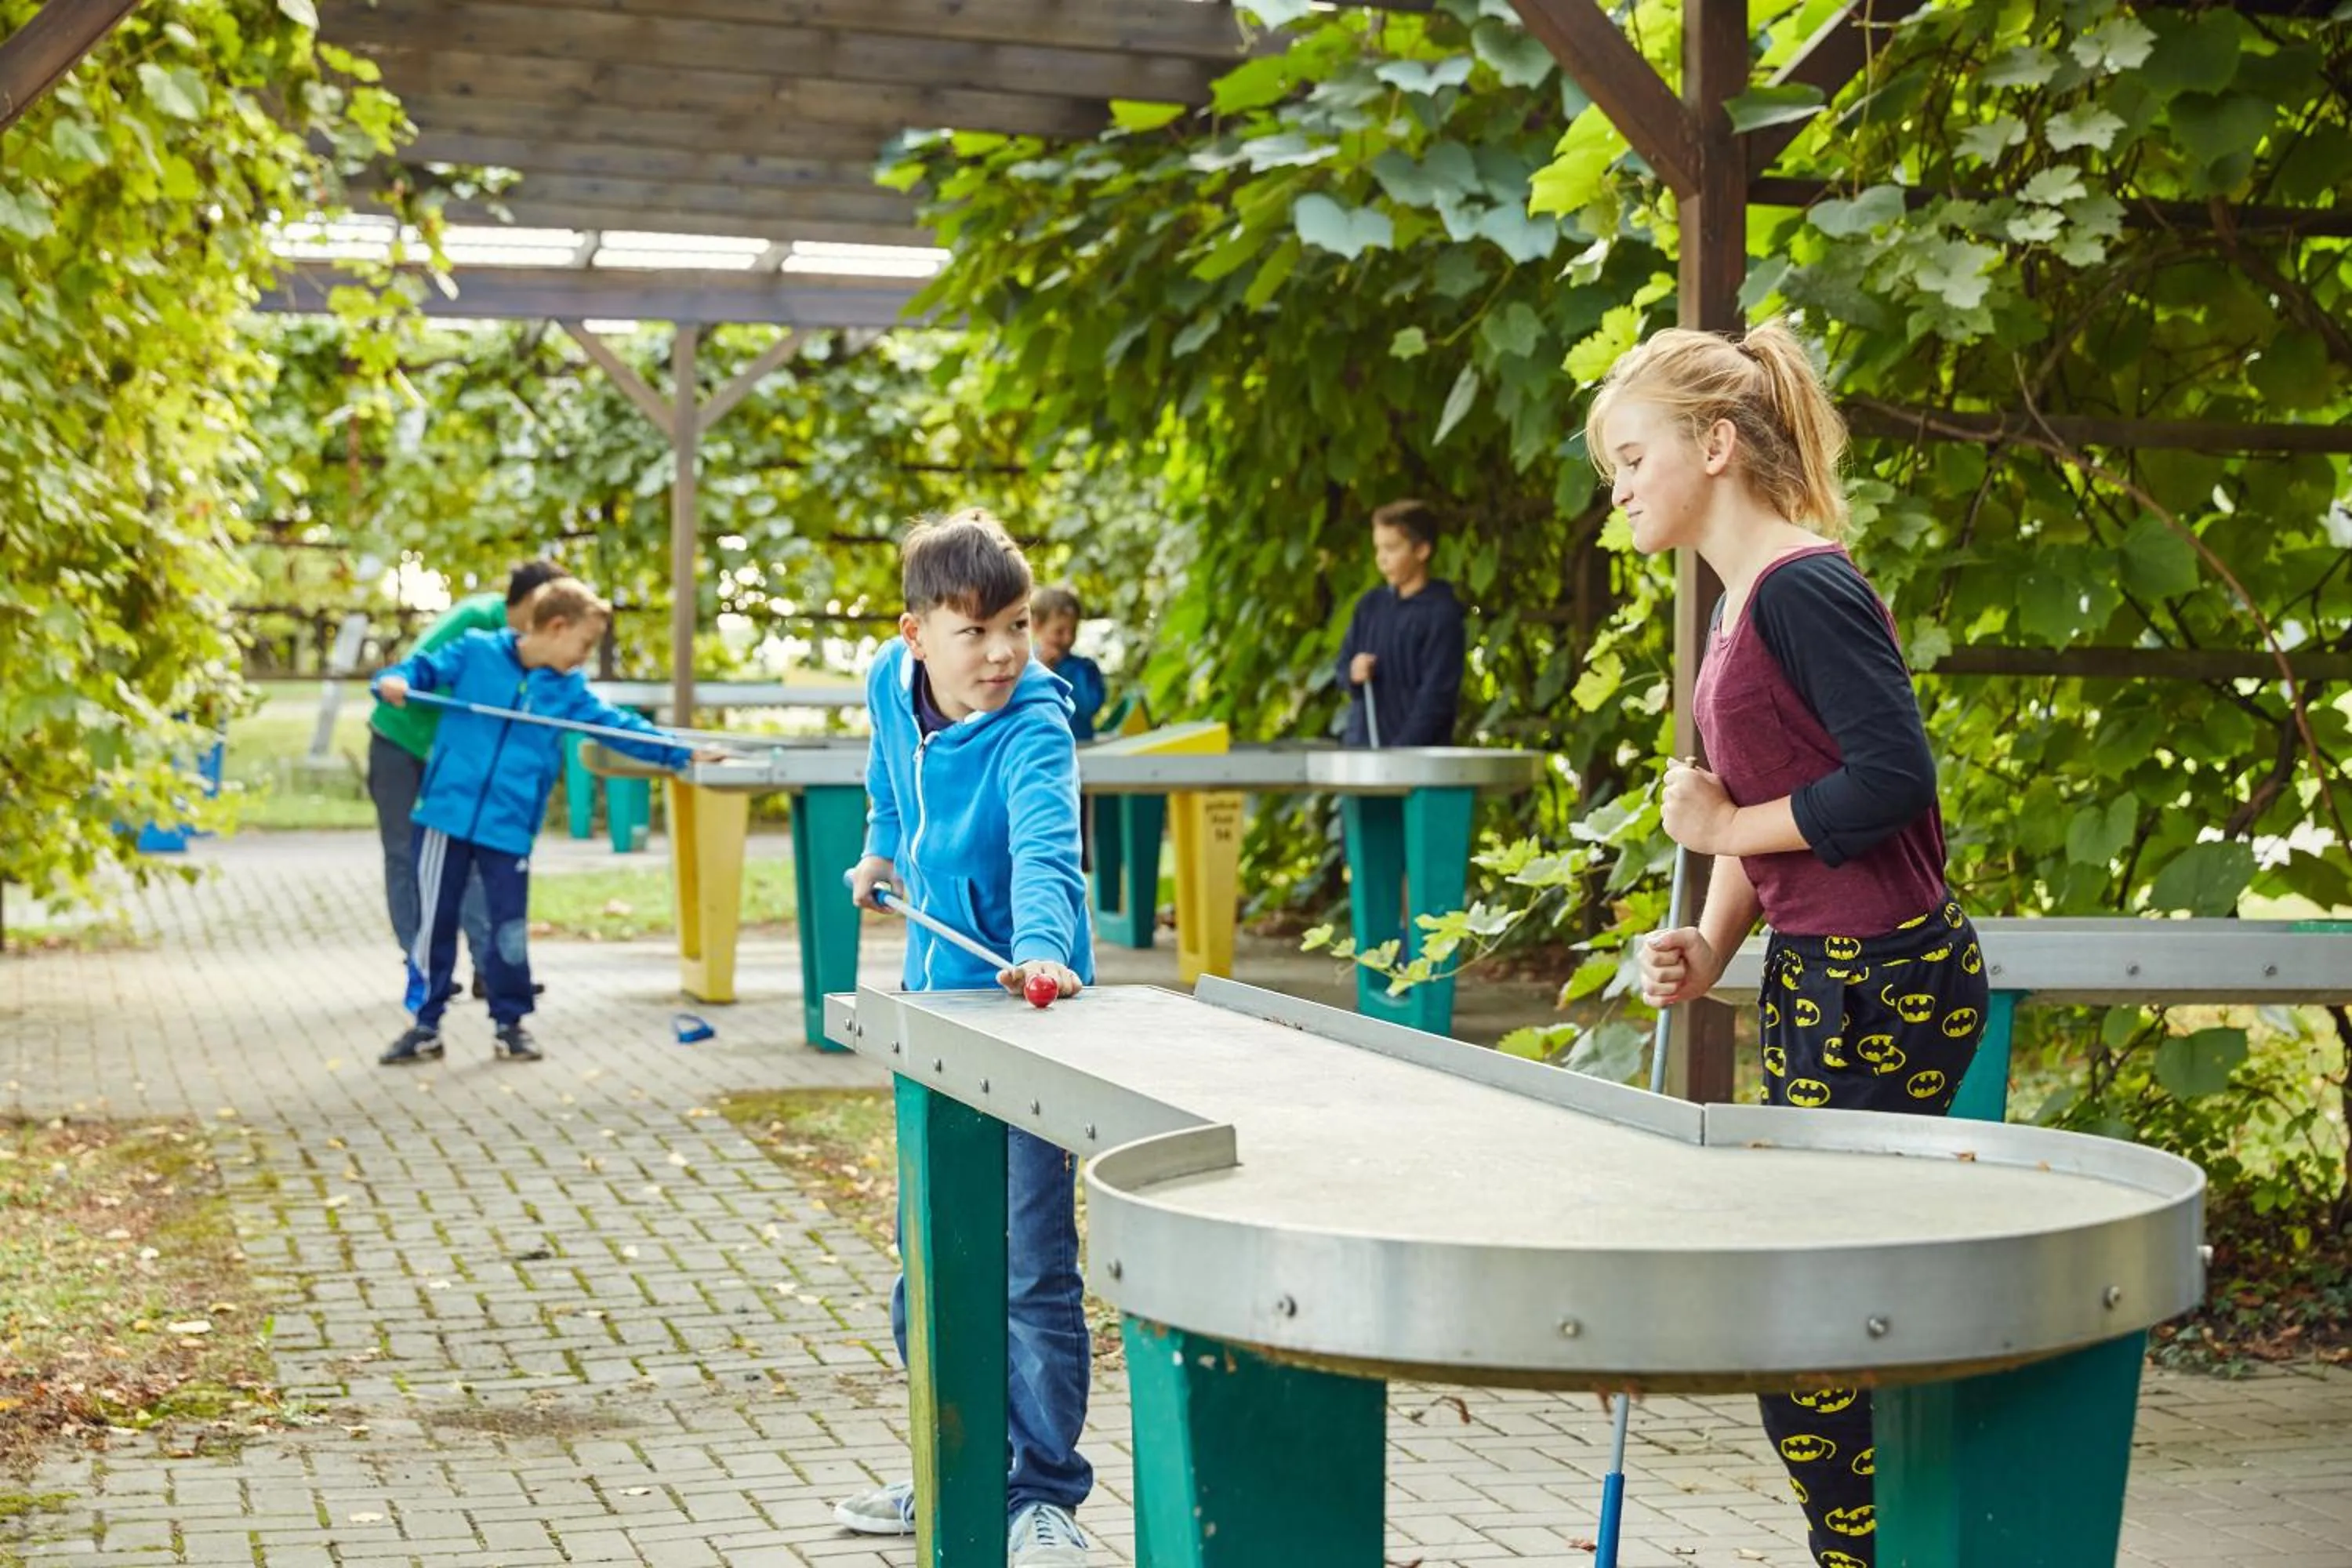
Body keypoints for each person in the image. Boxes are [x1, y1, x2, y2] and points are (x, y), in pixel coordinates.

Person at [1604, 321, 1990, 1568]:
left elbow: (1891, 779)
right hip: (1824, 978)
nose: (1620, 492)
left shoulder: (1803, 587)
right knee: (1818, 1326)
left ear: (1716, 445)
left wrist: (1725, 823)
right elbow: (1769, 812)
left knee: (1812, 1339)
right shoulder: (1738, 606)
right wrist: (1711, 944)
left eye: (1631, 459)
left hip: (1885, 981)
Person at [837, 510, 1094, 1567]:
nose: (1002, 653)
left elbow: (1046, 852)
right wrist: (880, 849)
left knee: (1030, 1266)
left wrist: (1040, 952)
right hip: (933, 1011)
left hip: (1027, 1011)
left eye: (1017, 626)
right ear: (916, 636)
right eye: (975, 632)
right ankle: (959, 1470)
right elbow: (887, 780)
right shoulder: (885, 684)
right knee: (932, 1258)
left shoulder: (1036, 723)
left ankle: (1042, 1494)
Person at [371, 580, 716, 1066]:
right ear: (556, 627)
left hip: (509, 825)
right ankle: (425, 1026)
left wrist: (679, 752)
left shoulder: (566, 689)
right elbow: (421, 669)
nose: (585, 656)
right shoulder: (476, 652)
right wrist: (395, 680)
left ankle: (510, 1025)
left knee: (507, 929)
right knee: (434, 923)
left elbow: (616, 726)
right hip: (445, 816)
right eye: (585, 643)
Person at [368, 559, 565, 1008]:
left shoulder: (535, 648)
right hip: (401, 742)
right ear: (528, 601)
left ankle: (488, 969)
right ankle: (421, 968)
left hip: (453, 757)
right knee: (405, 855)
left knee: (475, 854)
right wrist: (398, 683)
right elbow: (418, 667)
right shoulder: (477, 623)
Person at [1335, 499, 1467, 747]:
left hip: (1418, 760)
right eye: (1378, 549)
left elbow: (1436, 699)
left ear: (1422, 551)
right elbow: (1342, 667)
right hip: (1363, 753)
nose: (1381, 559)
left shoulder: (1442, 615)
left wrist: (1400, 754)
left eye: (1391, 548)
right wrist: (1353, 672)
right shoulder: (1370, 606)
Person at [1029, 585, 1106, 741]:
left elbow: (1089, 706)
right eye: (1059, 632)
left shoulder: (1085, 668)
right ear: (1036, 626)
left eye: (1073, 631)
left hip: (1081, 747)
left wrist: (1064, 671)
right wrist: (1041, 670)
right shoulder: (1023, 669)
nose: (1068, 639)